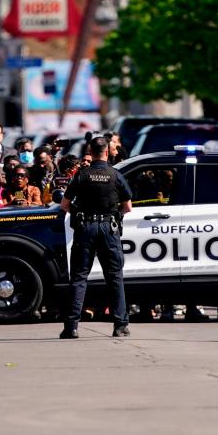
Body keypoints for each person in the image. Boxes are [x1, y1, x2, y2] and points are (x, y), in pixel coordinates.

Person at [60, 136, 132, 339]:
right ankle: (120, 325)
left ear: (90, 153)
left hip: (86, 228)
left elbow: (64, 205)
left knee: (79, 277)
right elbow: (127, 207)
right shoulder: (115, 175)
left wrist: (79, 212)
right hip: (109, 228)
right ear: (107, 152)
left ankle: (71, 327)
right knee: (114, 277)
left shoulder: (82, 175)